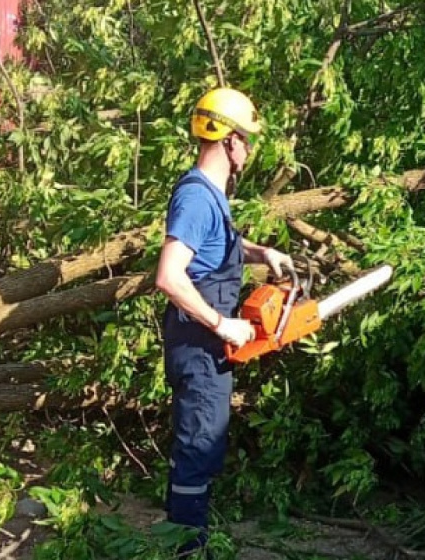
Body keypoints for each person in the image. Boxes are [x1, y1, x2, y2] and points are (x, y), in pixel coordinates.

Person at [155, 87, 294, 554]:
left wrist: (261, 252)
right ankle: (187, 550)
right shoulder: (197, 198)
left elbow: (216, 247)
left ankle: (186, 539)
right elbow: (170, 277)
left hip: (204, 347)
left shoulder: (212, 195)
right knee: (197, 450)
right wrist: (223, 323)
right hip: (199, 346)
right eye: (248, 140)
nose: (250, 150)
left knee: (203, 447)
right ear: (230, 141)